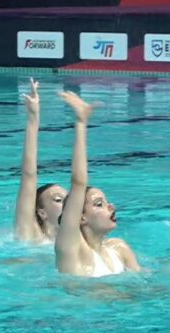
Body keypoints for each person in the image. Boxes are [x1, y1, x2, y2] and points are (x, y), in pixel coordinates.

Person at [54, 91, 140, 277]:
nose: (111, 206)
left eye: (105, 202)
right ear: (81, 217)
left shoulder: (120, 249)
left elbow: (147, 286)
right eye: (99, 204)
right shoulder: (72, 250)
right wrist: (81, 124)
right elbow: (78, 182)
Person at [14, 78, 67, 243]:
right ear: (42, 213)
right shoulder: (31, 235)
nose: (68, 203)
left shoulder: (80, 242)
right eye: (58, 200)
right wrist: (33, 117)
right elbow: (29, 175)